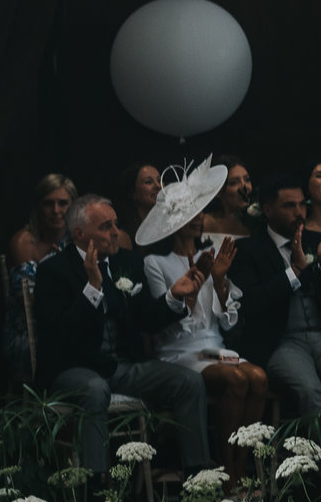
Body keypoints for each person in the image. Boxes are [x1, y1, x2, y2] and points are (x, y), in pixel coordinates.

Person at [32, 194, 209, 473]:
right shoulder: (52, 271)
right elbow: (61, 334)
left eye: (115, 224)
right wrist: (92, 287)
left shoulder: (127, 262)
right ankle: (97, 488)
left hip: (122, 366)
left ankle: (198, 480)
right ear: (79, 234)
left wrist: (174, 296)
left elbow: (146, 320)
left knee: (189, 382)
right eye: (106, 227)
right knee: (95, 389)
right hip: (73, 369)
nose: (116, 232)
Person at [226, 174, 321, 463]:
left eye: (301, 204)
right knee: (311, 393)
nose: (299, 212)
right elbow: (251, 304)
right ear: (268, 209)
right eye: (289, 206)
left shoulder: (318, 241)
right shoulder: (249, 250)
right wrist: (294, 273)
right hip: (281, 342)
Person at [134, 160, 268, 475]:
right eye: (189, 214)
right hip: (180, 351)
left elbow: (228, 323)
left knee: (259, 378)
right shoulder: (156, 262)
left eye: (199, 212)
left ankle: (240, 465)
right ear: (173, 222)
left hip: (214, 347)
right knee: (235, 380)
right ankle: (226, 471)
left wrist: (219, 280)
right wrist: (196, 284)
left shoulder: (212, 256)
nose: (198, 219)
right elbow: (166, 321)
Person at [3, 173, 75, 378]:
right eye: (48, 204)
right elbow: (30, 301)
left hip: (66, 324)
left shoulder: (76, 241)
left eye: (63, 203)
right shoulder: (24, 242)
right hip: (30, 333)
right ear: (38, 207)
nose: (56, 211)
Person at [202, 157, 257, 238]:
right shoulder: (203, 223)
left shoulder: (258, 224)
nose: (244, 187)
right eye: (233, 183)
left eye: (247, 179)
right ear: (218, 191)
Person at [113, 164, 162, 248]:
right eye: (148, 182)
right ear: (133, 194)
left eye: (159, 180)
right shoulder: (124, 237)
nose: (158, 186)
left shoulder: (172, 226)